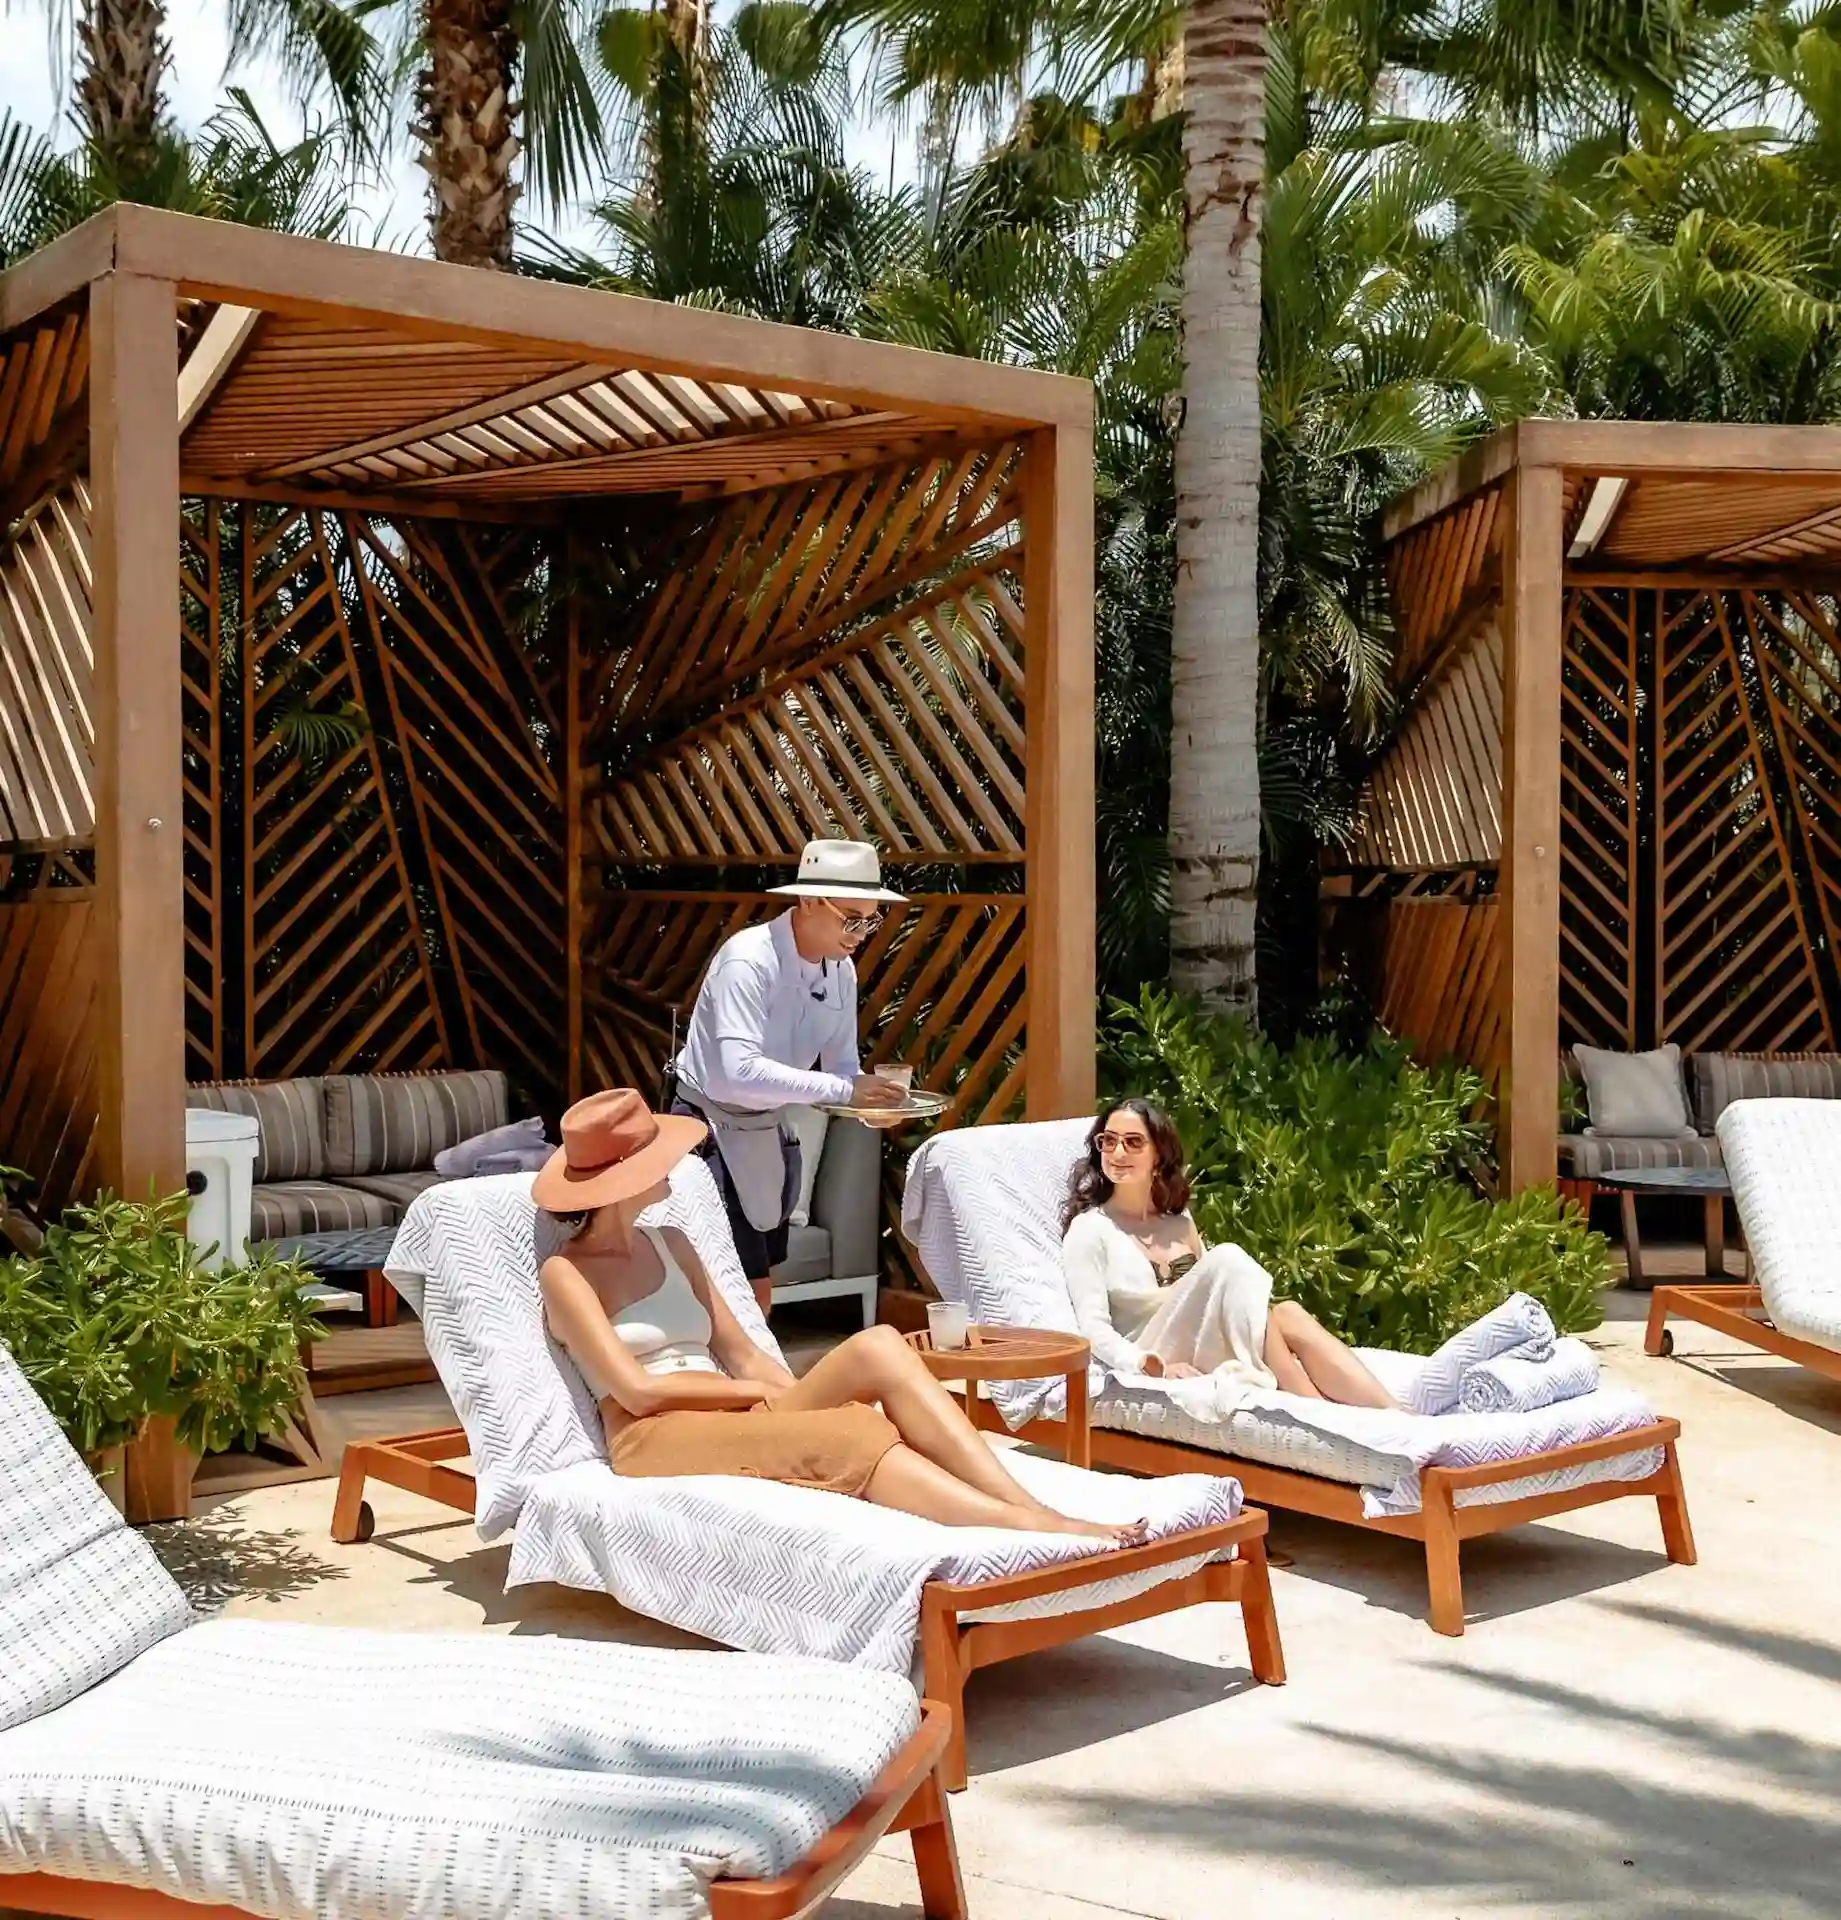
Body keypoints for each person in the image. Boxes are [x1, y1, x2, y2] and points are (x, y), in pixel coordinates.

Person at [536, 1086, 1148, 1545]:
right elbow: (639, 1392)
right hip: (653, 1437)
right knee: (852, 1431)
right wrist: (757, 1398)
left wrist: (793, 1396)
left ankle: (1022, 1501)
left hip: (727, 1405)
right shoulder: (567, 1273)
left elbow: (743, 1350)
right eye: (656, 1160)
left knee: (880, 1345)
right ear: (623, 1179)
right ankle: (1028, 1525)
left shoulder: (672, 1242)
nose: (671, 1168)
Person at [669, 839, 908, 1314]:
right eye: (851, 918)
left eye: (872, 919)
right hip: (707, 1126)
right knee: (722, 1286)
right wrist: (845, 1089)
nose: (861, 932)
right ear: (807, 901)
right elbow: (739, 1072)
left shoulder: (841, 972)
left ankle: (759, 1385)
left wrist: (866, 1106)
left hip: (768, 1129)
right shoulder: (749, 960)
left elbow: (842, 1067)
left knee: (759, 1283)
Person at [1060, 1098, 1398, 1411]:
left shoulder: (1179, 1221)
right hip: (1153, 1348)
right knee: (1228, 1259)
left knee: (1289, 1313)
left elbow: (1216, 1300)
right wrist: (1147, 1364)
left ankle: (1397, 1415)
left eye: (1133, 1142)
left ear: (1159, 1155)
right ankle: (1316, 1410)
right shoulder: (1090, 1230)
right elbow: (1093, 1327)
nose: (1117, 1152)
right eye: (1108, 1140)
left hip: (1200, 1340)